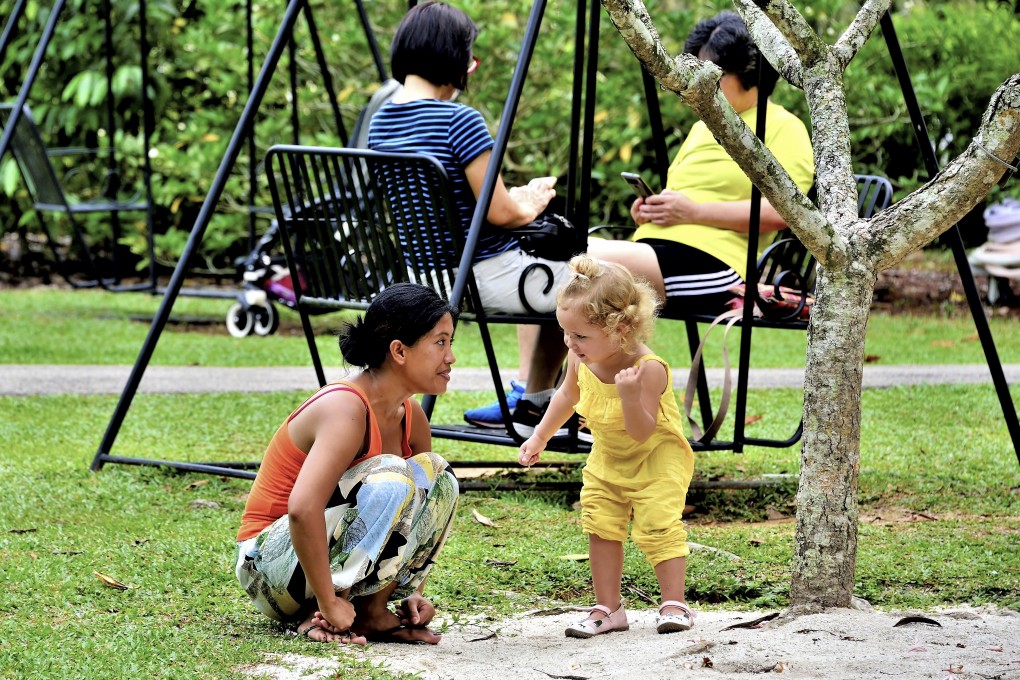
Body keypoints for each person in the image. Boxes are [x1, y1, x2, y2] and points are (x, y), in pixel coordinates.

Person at [367, 0, 575, 437]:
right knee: (591, 284)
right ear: (454, 59)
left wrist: (512, 201)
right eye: (469, 57)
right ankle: (576, 407)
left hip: (423, 277)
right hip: (482, 276)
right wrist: (531, 201)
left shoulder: (382, 122)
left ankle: (536, 401)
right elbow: (499, 212)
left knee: (563, 273)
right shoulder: (459, 121)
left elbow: (453, 201)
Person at [234, 283, 460, 645]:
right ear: (399, 351)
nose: (450, 357)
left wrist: (413, 591)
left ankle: (372, 610)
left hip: (315, 563)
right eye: (440, 342)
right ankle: (322, 612)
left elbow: (415, 511)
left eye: (450, 343)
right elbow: (302, 509)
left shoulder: (411, 416)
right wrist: (327, 601)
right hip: (268, 568)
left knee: (438, 477)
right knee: (392, 476)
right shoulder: (346, 407)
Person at [587, 10, 815, 318]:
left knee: (573, 260)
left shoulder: (784, 127)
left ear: (749, 72)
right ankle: (549, 371)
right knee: (552, 273)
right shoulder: (704, 126)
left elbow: (786, 213)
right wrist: (652, 210)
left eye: (711, 73)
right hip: (658, 252)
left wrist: (692, 212)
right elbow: (684, 195)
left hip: (715, 267)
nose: (699, 82)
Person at [518, 255, 696, 638]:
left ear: (622, 329)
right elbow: (567, 395)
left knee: (658, 526)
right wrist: (540, 436)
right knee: (600, 525)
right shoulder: (581, 357)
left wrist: (630, 396)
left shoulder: (648, 369)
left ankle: (674, 602)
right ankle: (609, 608)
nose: (571, 343)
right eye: (566, 333)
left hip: (656, 460)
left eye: (580, 336)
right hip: (608, 458)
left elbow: (642, 433)